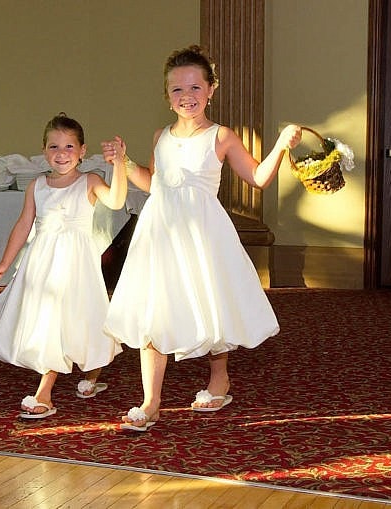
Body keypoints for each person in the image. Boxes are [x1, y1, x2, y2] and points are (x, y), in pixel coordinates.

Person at [101, 45, 302, 431]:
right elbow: (156, 184)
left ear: (211, 89)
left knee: (208, 305)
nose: (186, 96)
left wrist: (279, 144)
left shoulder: (221, 136)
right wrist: (123, 162)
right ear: (167, 96)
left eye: (195, 87)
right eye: (177, 90)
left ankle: (219, 379)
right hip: (159, 234)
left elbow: (258, 179)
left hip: (202, 233)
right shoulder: (161, 136)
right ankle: (151, 402)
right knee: (153, 310)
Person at [0, 113, 128, 418]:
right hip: (43, 263)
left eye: (69, 147)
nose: (61, 154)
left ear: (82, 150)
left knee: (84, 319)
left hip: (75, 265)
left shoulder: (89, 181)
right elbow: (24, 224)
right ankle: (46, 391)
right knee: (51, 321)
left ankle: (87, 377)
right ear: (44, 150)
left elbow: (116, 202)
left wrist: (119, 165)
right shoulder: (37, 185)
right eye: (54, 147)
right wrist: (5, 262)